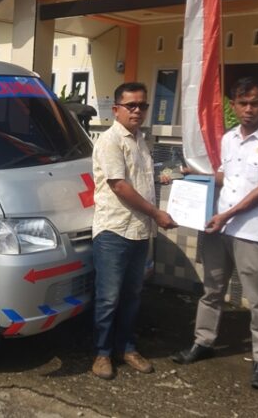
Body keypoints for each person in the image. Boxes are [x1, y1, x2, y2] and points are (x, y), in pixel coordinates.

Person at [171, 77, 258, 391]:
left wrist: (227, 214)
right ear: (234, 105)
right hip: (219, 227)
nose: (248, 109)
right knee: (212, 289)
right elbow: (227, 178)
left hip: (253, 231)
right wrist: (197, 177)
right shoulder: (229, 139)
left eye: (255, 103)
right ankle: (203, 342)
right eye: (242, 103)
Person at [91, 81, 178, 380]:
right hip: (114, 231)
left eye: (143, 105)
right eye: (131, 105)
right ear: (116, 109)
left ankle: (127, 348)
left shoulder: (141, 141)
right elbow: (119, 185)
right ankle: (102, 354)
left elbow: (143, 179)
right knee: (108, 298)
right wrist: (157, 213)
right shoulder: (110, 141)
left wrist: (176, 175)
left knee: (132, 295)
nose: (137, 110)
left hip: (140, 231)